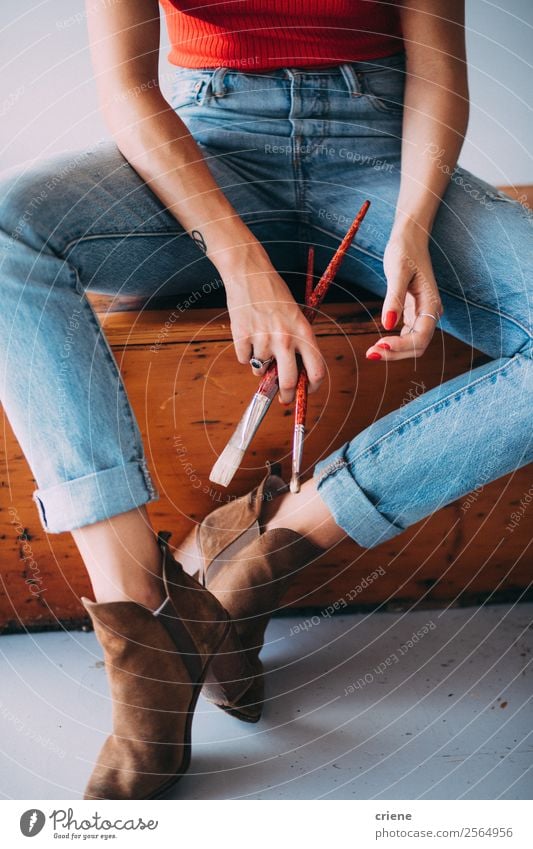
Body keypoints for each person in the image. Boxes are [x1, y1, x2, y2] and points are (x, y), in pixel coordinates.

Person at [0, 0, 531, 800]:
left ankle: (268, 542)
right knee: (7, 230)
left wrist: (414, 225)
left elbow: (436, 68)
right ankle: (149, 626)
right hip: (208, 151)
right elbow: (126, 88)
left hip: (383, 153)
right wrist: (239, 263)